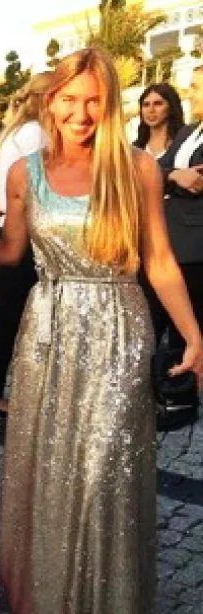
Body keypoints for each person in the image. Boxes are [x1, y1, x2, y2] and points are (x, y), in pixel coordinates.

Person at [0, 48, 203, 613]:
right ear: (51, 101)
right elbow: (9, 251)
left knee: (108, 467)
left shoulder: (136, 169)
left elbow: (159, 259)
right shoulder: (23, 172)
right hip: (46, 332)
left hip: (118, 329)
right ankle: (47, 597)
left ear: (110, 105)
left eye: (94, 101)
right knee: (47, 464)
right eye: (69, 99)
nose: (80, 113)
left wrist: (193, 335)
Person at [0, 72, 51, 420]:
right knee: (8, 315)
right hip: (26, 227)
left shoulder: (14, 131)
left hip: (10, 221)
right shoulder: (35, 133)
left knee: (3, 312)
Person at [151, 70, 203, 414]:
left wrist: (172, 177)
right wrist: (173, 175)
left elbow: (196, 182)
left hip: (195, 241)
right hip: (169, 237)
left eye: (197, 86)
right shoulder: (188, 132)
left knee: (189, 320)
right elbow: (157, 171)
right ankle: (171, 387)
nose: (192, 91)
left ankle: (184, 395)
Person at [134, 82, 185, 159]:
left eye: (158, 104)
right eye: (146, 105)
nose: (151, 110)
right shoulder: (135, 148)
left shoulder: (184, 144)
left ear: (171, 107)